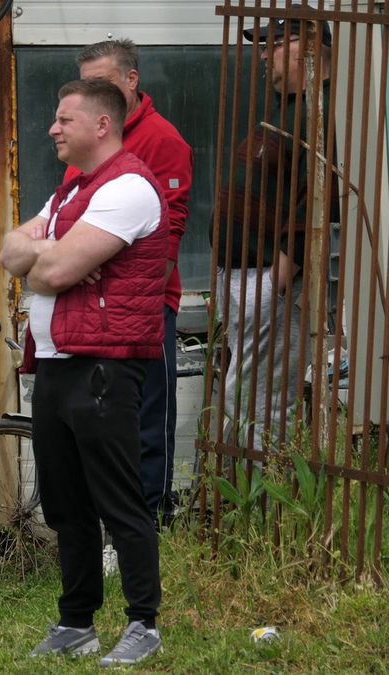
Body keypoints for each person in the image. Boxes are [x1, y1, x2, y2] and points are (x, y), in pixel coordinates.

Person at [0, 79, 168, 667]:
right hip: (53, 364)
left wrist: (51, 257)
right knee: (66, 506)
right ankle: (77, 623)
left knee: (121, 503)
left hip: (104, 367)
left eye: (64, 119)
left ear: (102, 125)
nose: (52, 128)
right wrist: (47, 257)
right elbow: (10, 251)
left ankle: (144, 623)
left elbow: (57, 270)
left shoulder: (127, 188)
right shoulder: (73, 188)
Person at [68, 39, 193, 526]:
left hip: (144, 303)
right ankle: (107, 527)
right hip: (91, 300)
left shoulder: (163, 140)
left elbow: (170, 233)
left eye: (101, 82)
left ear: (131, 80)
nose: (93, 92)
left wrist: (142, 293)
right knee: (102, 416)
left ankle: (149, 524)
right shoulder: (90, 135)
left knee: (147, 414)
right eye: (86, 84)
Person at [218, 10, 336, 452]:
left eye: (272, 44)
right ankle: (252, 506)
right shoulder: (288, 109)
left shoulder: (321, 110)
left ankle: (265, 507)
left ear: (308, 45)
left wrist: (278, 281)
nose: (264, 56)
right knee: (241, 397)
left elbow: (319, 202)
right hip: (246, 279)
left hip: (268, 279)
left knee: (257, 404)